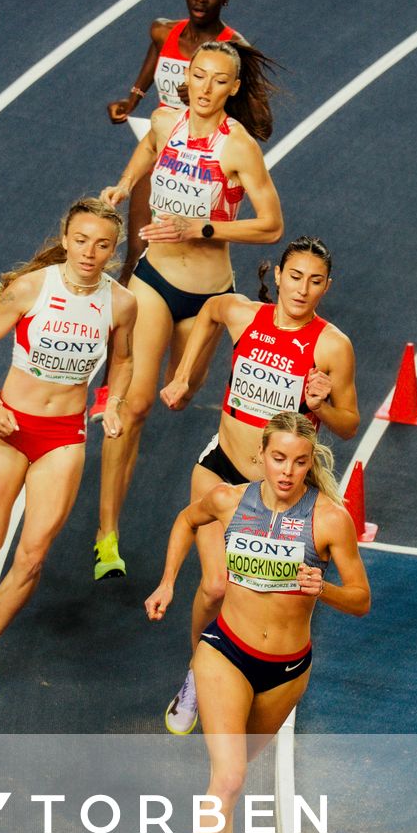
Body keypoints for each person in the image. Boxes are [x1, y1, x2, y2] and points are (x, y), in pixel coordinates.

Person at [144, 411, 371, 833]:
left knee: (235, 777)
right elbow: (183, 520)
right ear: (261, 457)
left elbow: (361, 598)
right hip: (226, 650)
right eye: (277, 459)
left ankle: (199, 697)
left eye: (298, 461)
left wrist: (326, 590)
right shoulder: (228, 500)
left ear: (308, 461)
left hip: (287, 670)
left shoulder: (329, 521)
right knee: (227, 777)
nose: (287, 472)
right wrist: (169, 581)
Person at [93, 38, 283, 582]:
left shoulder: (238, 147)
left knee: (185, 392)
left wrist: (199, 227)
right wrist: (124, 186)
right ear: (187, 76)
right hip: (155, 277)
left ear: (233, 88)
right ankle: (107, 537)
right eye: (198, 76)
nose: (204, 88)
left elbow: (270, 225)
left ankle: (185, 379)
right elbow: (148, 150)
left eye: (217, 80)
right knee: (134, 405)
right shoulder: (164, 121)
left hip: (209, 296)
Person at [157, 237, 360, 734]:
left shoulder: (332, 345)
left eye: (315, 281)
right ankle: (198, 675)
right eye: (295, 276)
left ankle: (254, 675)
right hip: (222, 466)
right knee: (215, 584)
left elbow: (350, 423)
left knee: (266, 587)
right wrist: (186, 376)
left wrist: (323, 404)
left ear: (326, 287)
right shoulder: (245, 316)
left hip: (278, 492)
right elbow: (208, 311)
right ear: (279, 276)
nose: (302, 289)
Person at [0, 199, 136, 700]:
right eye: (81, 240)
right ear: (65, 238)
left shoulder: (120, 303)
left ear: (112, 249)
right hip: (10, 429)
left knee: (33, 555)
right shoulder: (33, 287)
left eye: (102, 244)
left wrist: (114, 403)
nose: (89, 252)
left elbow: (122, 361)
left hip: (64, 436)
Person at [105, 0, 245, 286]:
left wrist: (206, 98)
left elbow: (252, 113)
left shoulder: (233, 49)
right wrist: (133, 100)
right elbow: (155, 57)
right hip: (160, 146)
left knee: (184, 260)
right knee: (137, 253)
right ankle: (116, 339)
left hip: (202, 162)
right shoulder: (163, 31)